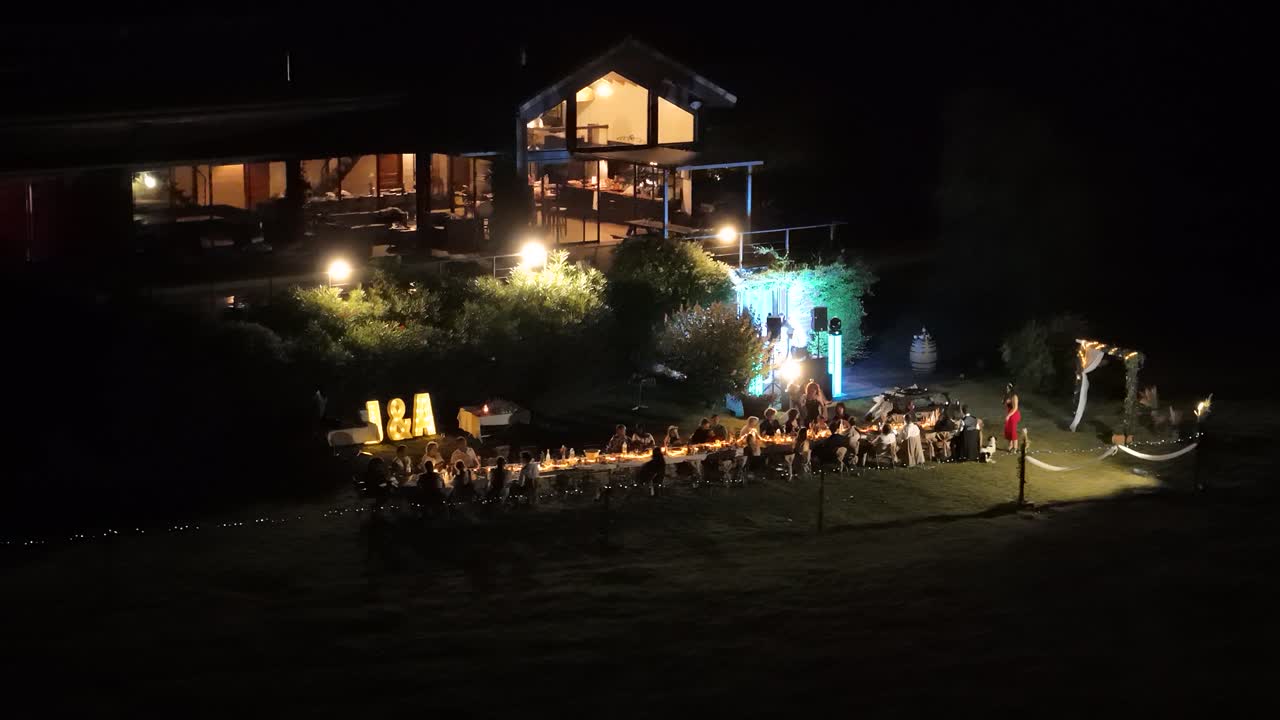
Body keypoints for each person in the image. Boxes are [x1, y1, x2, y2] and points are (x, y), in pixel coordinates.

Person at [1003, 382, 1021, 452]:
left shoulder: (1014, 397)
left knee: (1013, 431)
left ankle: (1015, 447)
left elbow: (1015, 408)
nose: (1006, 389)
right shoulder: (1008, 396)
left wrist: (1008, 415)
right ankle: (1010, 445)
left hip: (1014, 415)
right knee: (1008, 430)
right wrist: (1005, 397)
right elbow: (1004, 403)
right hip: (1009, 414)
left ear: (1011, 388)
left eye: (1007, 388)